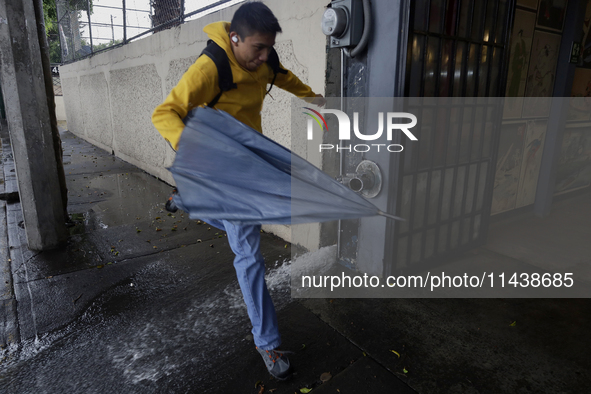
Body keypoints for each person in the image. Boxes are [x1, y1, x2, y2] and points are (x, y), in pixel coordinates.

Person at [151, 1, 325, 381]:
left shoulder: (265, 59)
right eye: (256, 49)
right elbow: (164, 113)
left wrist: (311, 96)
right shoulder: (210, 67)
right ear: (235, 38)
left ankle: (187, 199)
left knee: (242, 227)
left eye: (268, 49)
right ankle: (267, 340)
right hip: (219, 165)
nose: (263, 58)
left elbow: (283, 75)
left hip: (247, 161)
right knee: (249, 254)